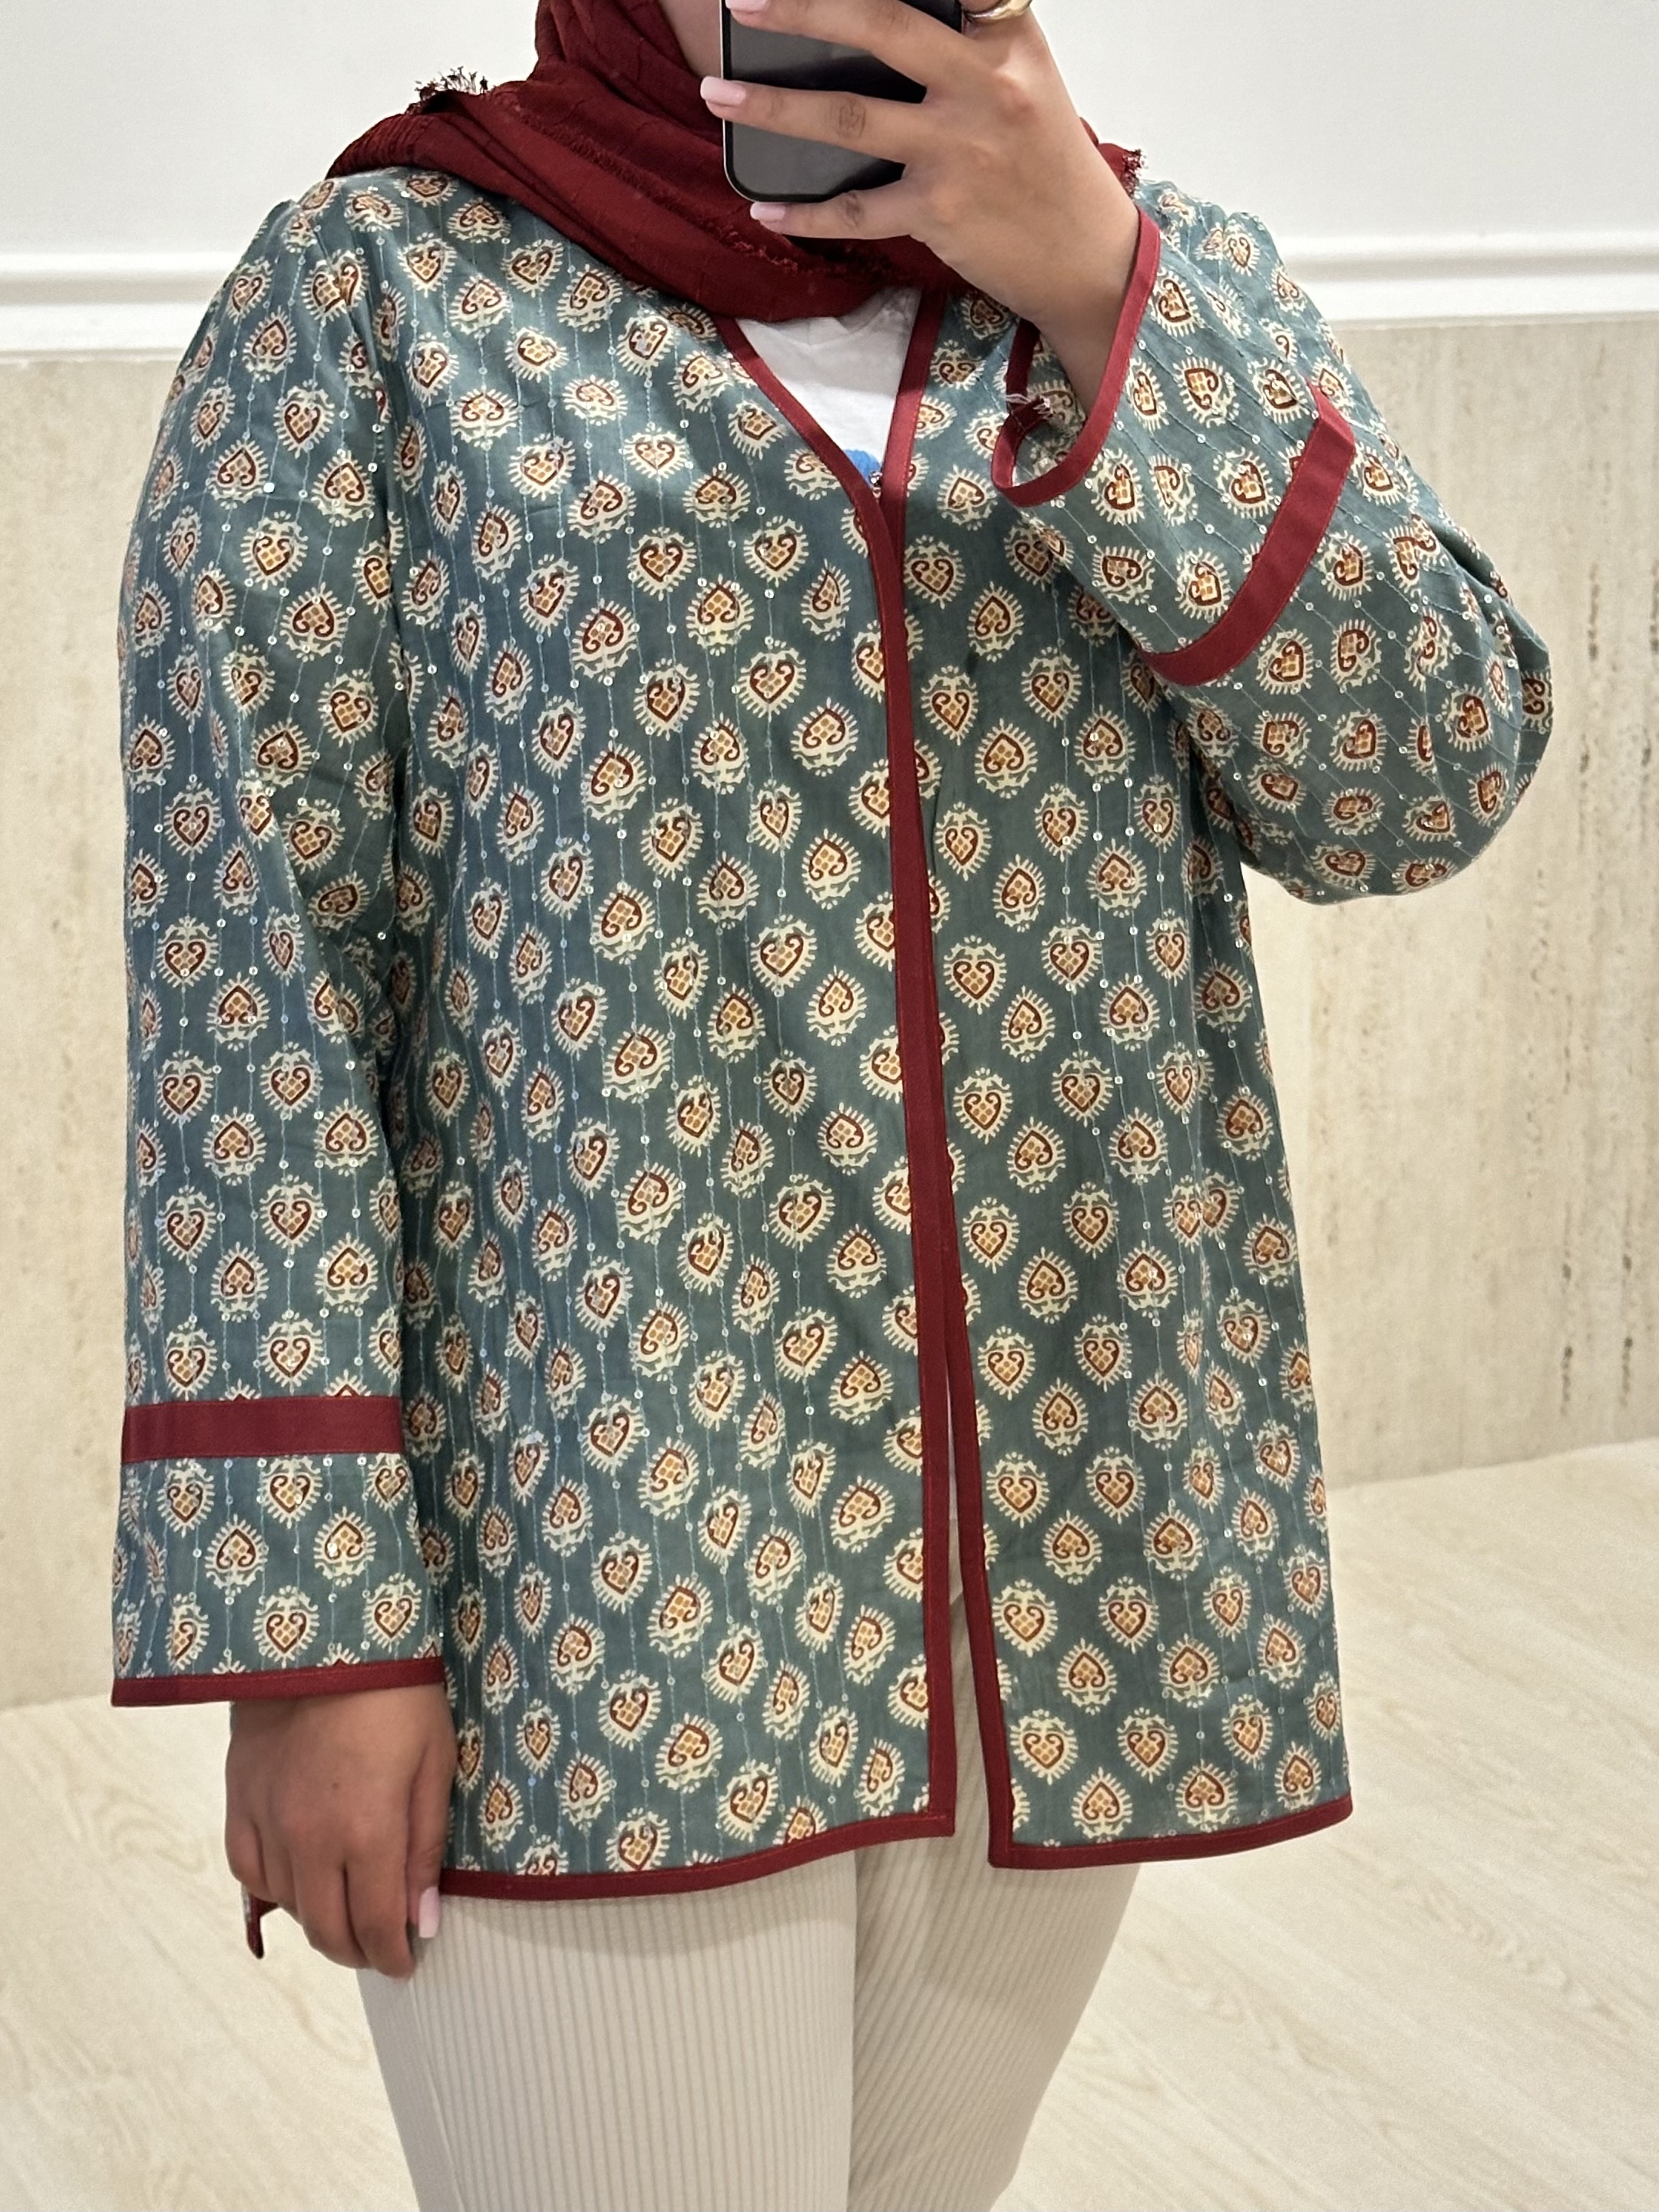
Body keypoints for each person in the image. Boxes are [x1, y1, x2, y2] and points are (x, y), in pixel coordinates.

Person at [107, 0, 1552, 2204]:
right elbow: (255, 981)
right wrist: (309, 1625)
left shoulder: (1143, 277)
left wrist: (1103, 295)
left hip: (1061, 1540)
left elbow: (1417, 779)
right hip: (592, 1557)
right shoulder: (379, 298)